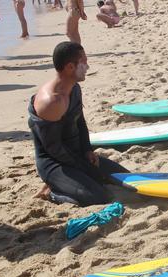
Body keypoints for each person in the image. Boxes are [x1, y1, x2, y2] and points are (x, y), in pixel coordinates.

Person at [29, 42, 130, 206]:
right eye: (84, 62)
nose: (88, 66)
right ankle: (52, 191)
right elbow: (54, 149)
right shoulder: (52, 102)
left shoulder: (73, 87)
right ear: (70, 67)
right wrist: (85, 167)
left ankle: (77, 179)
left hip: (76, 154)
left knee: (125, 179)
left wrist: (87, 150)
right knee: (98, 197)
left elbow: (80, 122)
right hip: (54, 163)